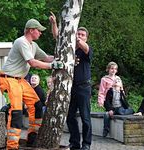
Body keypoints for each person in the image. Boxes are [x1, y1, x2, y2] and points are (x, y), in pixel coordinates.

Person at [0, 18, 63, 149]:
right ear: (31, 30)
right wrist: (53, 65)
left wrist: (65, 60)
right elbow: (33, 63)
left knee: (37, 105)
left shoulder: (33, 45)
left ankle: (32, 139)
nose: (40, 33)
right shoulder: (21, 42)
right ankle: (11, 146)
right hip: (9, 79)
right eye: (39, 30)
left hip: (20, 80)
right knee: (16, 112)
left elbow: (46, 58)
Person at [50, 12, 92, 150]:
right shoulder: (69, 49)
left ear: (86, 38)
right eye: (78, 34)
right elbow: (58, 37)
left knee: (86, 118)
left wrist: (75, 37)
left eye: (82, 35)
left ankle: (86, 144)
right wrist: (54, 23)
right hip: (70, 87)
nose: (79, 36)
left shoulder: (86, 50)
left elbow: (85, 48)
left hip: (83, 87)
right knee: (70, 117)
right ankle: (75, 143)